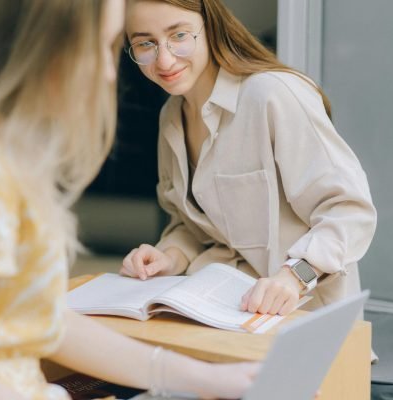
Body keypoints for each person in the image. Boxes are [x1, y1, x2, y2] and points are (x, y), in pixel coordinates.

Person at [0, 1, 259, 399]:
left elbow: (45, 320)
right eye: (100, 47)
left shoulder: (16, 161)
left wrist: (199, 378)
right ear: (45, 47)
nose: (106, 72)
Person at [121, 0, 377, 316]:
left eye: (179, 36)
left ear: (210, 25)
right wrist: (170, 256)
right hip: (221, 312)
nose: (164, 59)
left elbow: (350, 212)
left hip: (304, 320)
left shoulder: (272, 95)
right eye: (145, 43)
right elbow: (192, 226)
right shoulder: (171, 118)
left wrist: (294, 276)